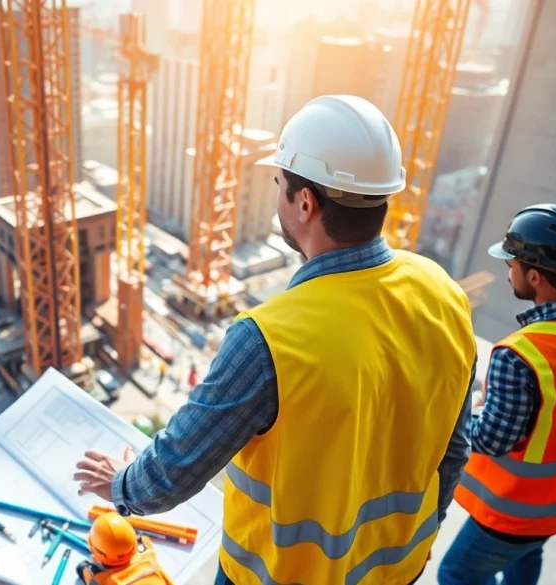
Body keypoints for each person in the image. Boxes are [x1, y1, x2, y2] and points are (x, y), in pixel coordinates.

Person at [74, 96, 478, 585]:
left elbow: (172, 472)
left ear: (306, 202)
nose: (277, 195)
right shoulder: (444, 294)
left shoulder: (268, 340)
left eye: (278, 183)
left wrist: (121, 484)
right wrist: (416, 538)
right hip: (396, 571)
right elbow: (454, 450)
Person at [438, 204, 556, 585]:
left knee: (457, 575)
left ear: (535, 276)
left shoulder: (521, 354)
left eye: (511, 265)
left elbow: (493, 438)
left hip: (513, 512)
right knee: (527, 557)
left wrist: (454, 414)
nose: (508, 273)